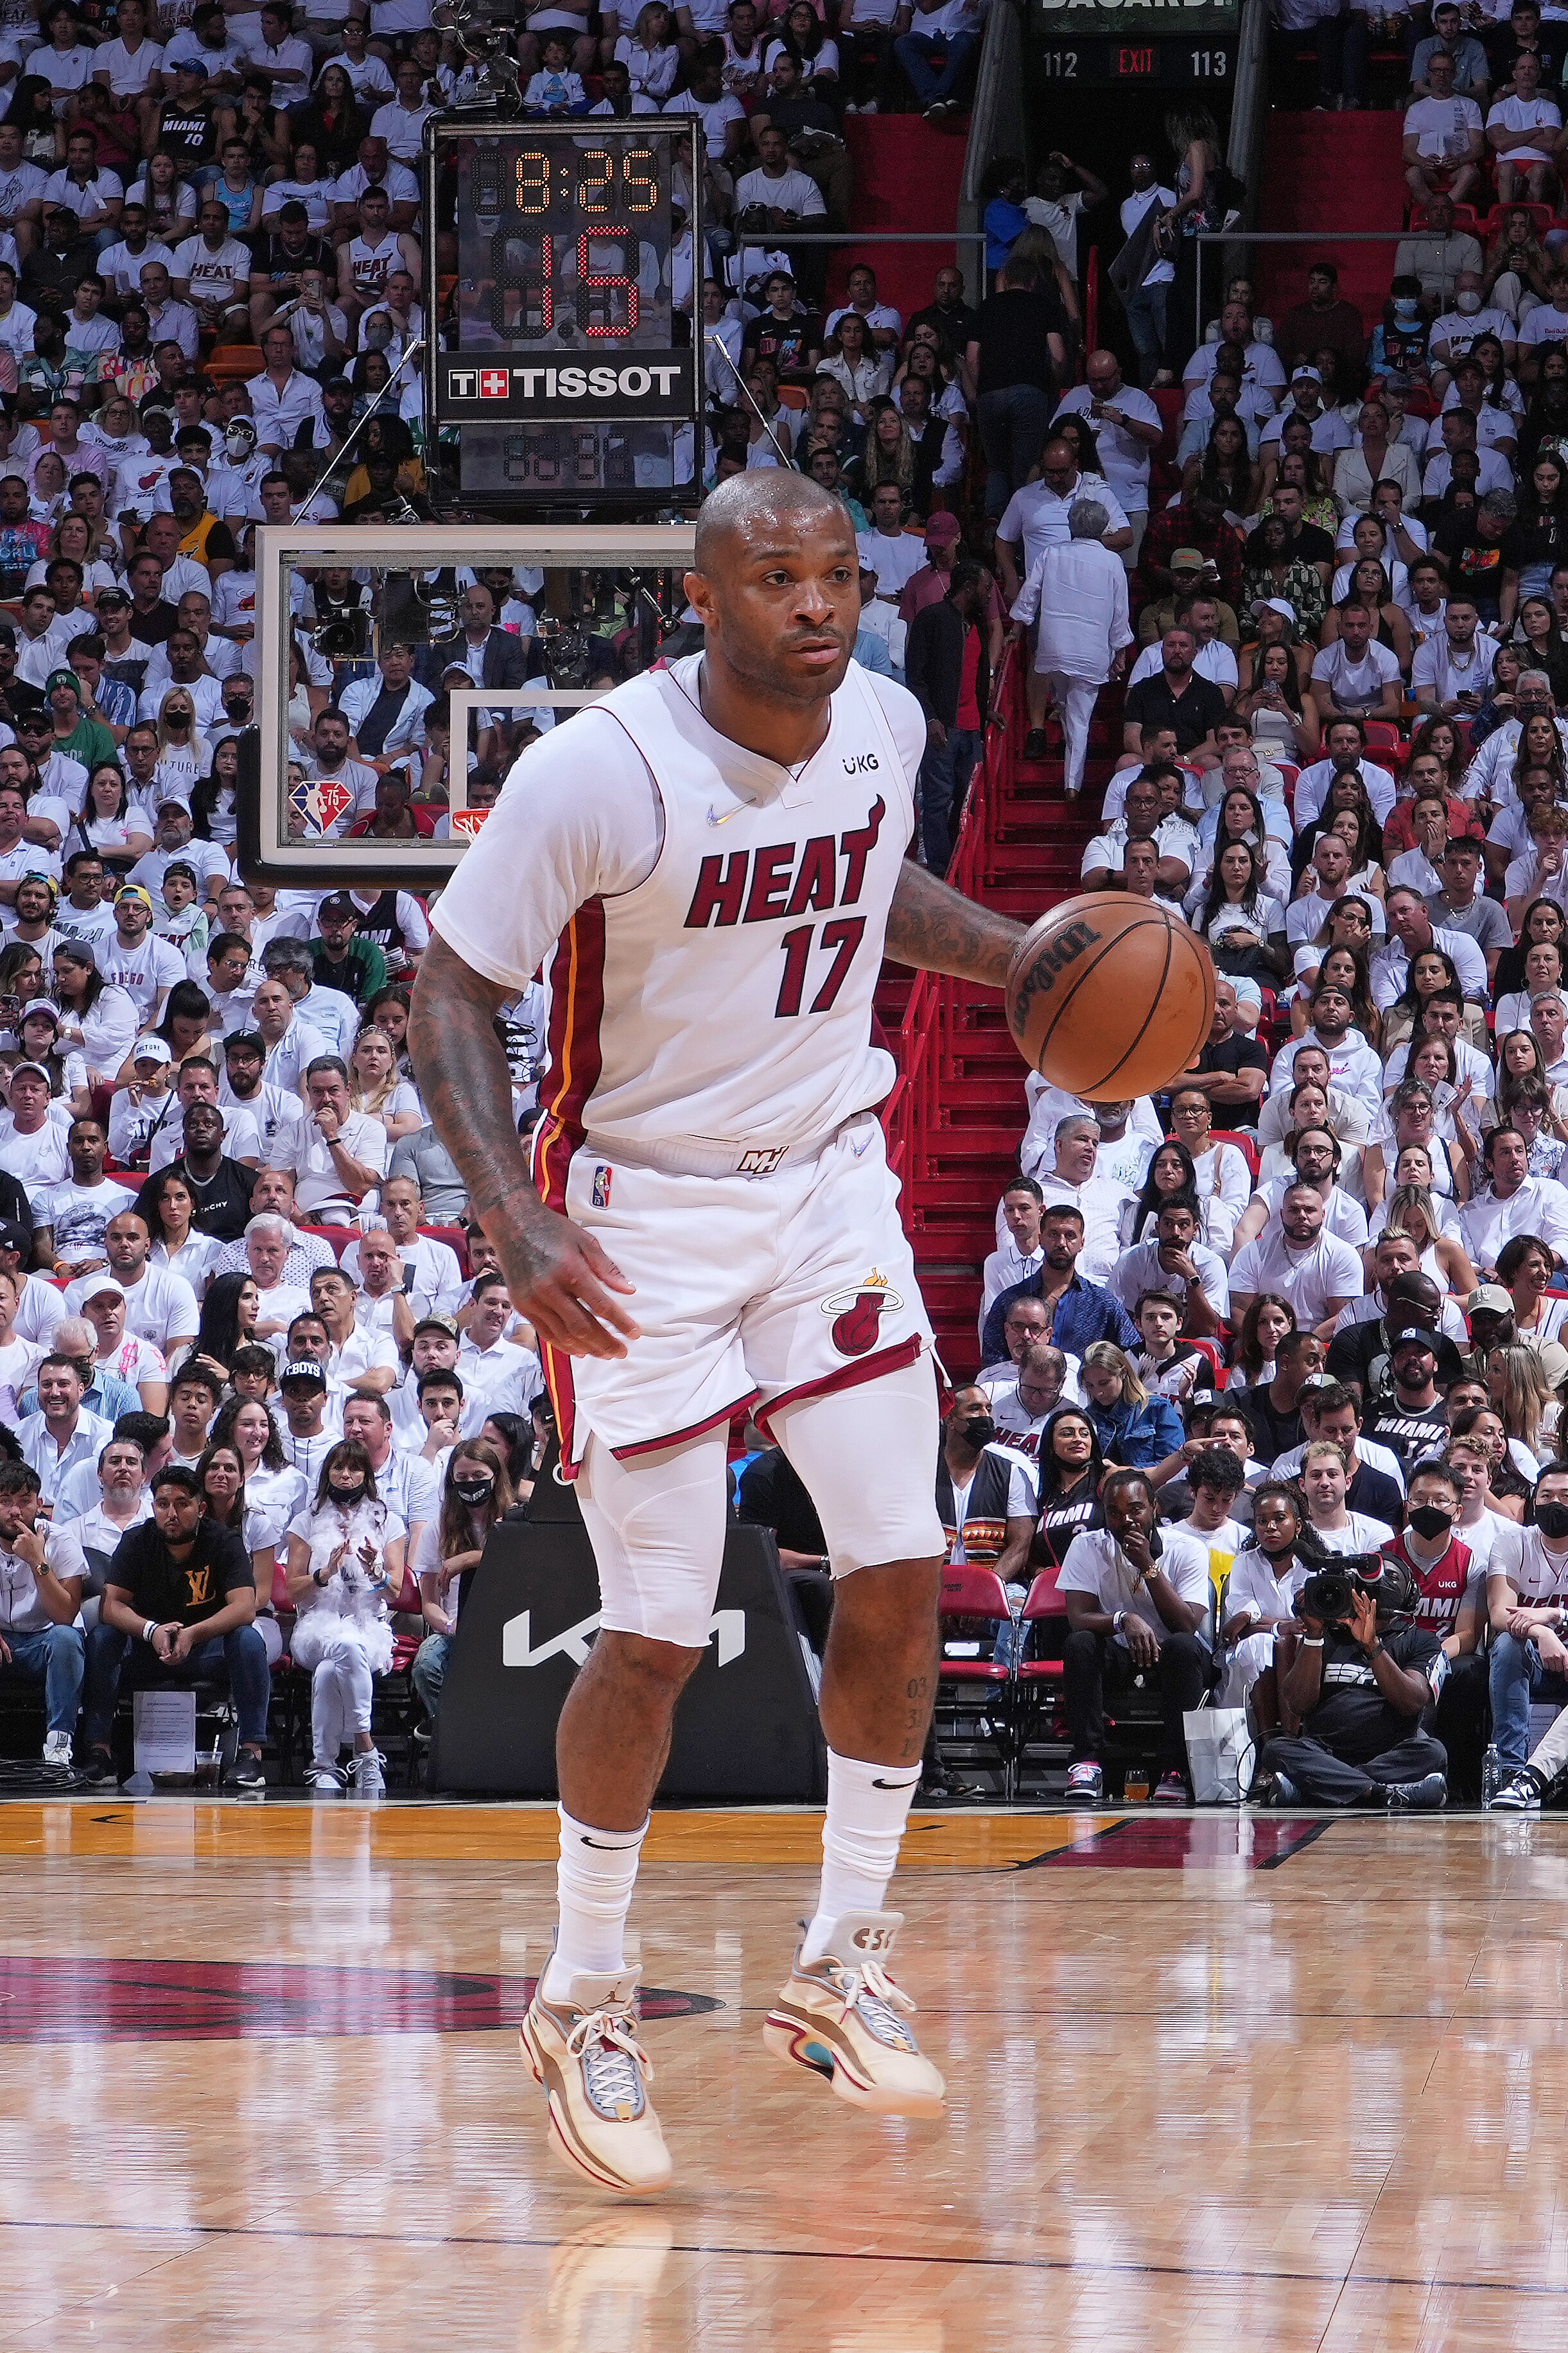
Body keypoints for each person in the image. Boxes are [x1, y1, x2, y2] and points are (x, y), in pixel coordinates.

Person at [408, 471, 1035, 2192]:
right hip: (640, 1217)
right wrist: (510, 1217)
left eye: (837, 574)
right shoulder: (594, 772)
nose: (818, 604)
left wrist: (1027, 957)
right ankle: (586, 1991)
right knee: (663, 1630)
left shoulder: (887, 726)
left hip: (824, 1185)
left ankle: (839, 1967)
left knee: (904, 1567)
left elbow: (864, 893)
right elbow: (448, 992)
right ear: (704, 596)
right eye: (778, 578)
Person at [79, 1462, 268, 1789]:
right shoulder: (138, 1540)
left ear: (201, 1508)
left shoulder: (223, 1541)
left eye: (182, 1504)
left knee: (249, 1640)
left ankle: (251, 1753)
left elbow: (244, 1607)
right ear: (153, 1506)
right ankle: (100, 1751)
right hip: (148, 1648)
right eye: (163, 1504)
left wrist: (194, 1634)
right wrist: (151, 1631)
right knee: (103, 1637)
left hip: (205, 1648)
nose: (172, 1513)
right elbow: (110, 1606)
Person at [1058, 1465, 1212, 1805]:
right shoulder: (1086, 1545)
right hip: (1120, 1650)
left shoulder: (1188, 1548)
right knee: (1080, 1643)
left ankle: (1175, 1771)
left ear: (1154, 1508)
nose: (1125, 1520)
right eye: (1114, 1512)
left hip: (1170, 1652)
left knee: (1185, 1647)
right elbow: (1078, 1617)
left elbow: (1187, 1624)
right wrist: (1123, 1619)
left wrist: (1147, 1565)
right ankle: (1086, 1762)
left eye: (1136, 1509)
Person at [283, 1435, 406, 1798]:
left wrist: (375, 1572)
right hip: (315, 1626)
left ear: (366, 1474)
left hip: (369, 1626)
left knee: (332, 1667)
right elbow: (292, 1590)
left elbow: (396, 1590)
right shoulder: (305, 1522)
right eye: (339, 1467)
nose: (346, 1475)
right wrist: (324, 1574)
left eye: (355, 1468)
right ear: (328, 1474)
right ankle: (366, 1751)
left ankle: (325, 1766)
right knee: (343, 1646)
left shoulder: (389, 1522)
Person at [1007, 502, 1132, 800]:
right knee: (1080, 717)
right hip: (1091, 652)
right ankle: (1072, 784)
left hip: (1055, 648)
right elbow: (1120, 612)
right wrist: (1121, 650)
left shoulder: (1052, 553)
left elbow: (1030, 593)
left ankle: (1068, 759)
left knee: (1065, 701)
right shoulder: (1112, 562)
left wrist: (1018, 624)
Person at [0, 1457, 85, 1764]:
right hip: (3, 1640)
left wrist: (38, 1561)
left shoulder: (61, 1539)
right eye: (5, 1501)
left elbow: (65, 1615)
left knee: (66, 1639)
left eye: (24, 1501)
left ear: (39, 1504)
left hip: (43, 1641)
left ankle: (59, 1744)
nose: (14, 1511)